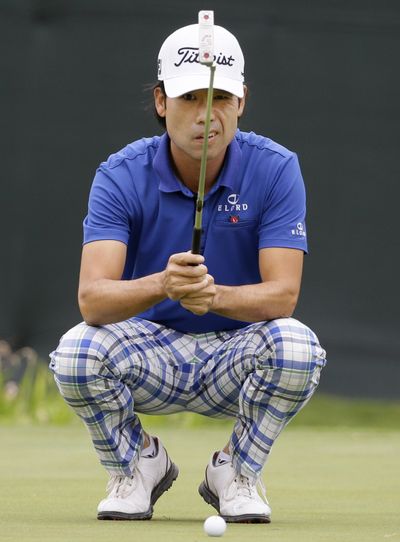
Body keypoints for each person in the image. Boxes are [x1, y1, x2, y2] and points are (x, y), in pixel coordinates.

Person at [50, 21, 327, 524]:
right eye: (190, 97)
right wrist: (163, 284)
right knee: (75, 353)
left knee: (298, 345)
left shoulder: (276, 168)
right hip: (149, 349)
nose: (206, 115)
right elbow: (92, 300)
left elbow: (283, 296)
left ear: (242, 101)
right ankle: (136, 464)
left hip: (235, 354)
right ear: (161, 101)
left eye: (220, 98)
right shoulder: (120, 173)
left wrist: (212, 295)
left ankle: (236, 471)